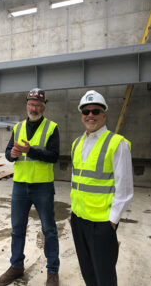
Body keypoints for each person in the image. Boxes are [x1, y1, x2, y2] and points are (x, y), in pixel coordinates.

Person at [70, 90, 134, 286]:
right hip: (78, 220)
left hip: (101, 224)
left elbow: (125, 189)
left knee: (104, 276)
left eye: (95, 111)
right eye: (86, 111)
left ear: (104, 114)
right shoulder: (76, 143)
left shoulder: (117, 144)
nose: (90, 115)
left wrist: (112, 221)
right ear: (81, 116)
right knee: (87, 272)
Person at [0, 88, 60, 286]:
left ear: (43, 106)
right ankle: (16, 266)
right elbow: (8, 153)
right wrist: (13, 154)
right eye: (31, 104)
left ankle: (52, 271)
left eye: (38, 105)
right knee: (17, 228)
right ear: (27, 105)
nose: (34, 108)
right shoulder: (18, 127)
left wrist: (29, 150)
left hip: (42, 187)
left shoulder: (52, 128)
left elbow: (54, 156)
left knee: (49, 229)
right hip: (20, 186)